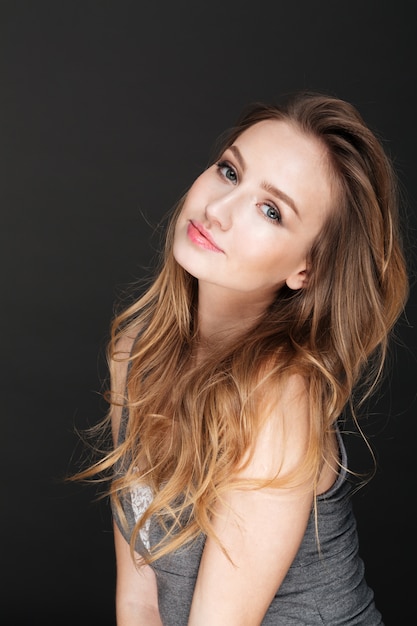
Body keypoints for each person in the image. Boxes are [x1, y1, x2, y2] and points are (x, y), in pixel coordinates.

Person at [75, 91, 409, 625]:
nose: (219, 209)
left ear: (307, 270)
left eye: (271, 210)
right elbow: (139, 600)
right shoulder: (135, 350)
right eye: (230, 172)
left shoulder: (276, 401)